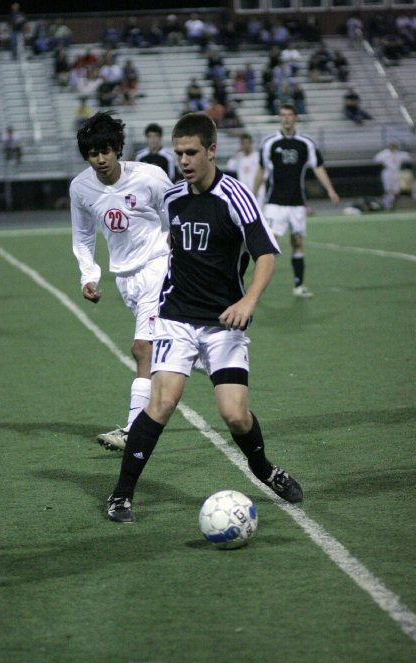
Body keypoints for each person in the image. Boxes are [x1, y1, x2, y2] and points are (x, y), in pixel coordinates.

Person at [106, 112, 303, 523]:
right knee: (162, 402)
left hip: (223, 324)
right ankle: (121, 495)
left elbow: (265, 254)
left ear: (212, 150)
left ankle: (263, 468)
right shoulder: (173, 197)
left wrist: (248, 302)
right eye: (179, 153)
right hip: (176, 317)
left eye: (192, 152)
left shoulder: (235, 196)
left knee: (234, 414)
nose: (185, 160)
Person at [70, 112, 173, 452]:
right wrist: (89, 275)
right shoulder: (81, 188)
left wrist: (179, 254)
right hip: (125, 278)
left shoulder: (149, 177)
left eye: (106, 151)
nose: (100, 159)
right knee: (169, 353)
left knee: (141, 349)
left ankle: (132, 429)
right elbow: (83, 236)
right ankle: (214, 359)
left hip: (158, 266)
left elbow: (176, 212)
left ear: (118, 148)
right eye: (92, 153)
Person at [254, 104, 339, 298]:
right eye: (283, 115)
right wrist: (252, 194)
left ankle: (299, 286)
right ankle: (256, 289)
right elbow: (261, 170)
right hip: (275, 202)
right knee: (269, 246)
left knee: (297, 241)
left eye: (290, 115)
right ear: (279, 118)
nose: (286, 118)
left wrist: (330, 189)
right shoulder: (270, 143)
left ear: (295, 118)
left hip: (297, 202)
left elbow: (318, 167)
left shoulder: (305, 143)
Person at [226, 132, 265, 208]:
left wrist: (256, 190)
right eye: (243, 143)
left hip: (257, 192)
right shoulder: (239, 157)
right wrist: (237, 152)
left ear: (251, 143)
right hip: (244, 192)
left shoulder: (257, 156)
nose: (245, 145)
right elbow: (230, 166)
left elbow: (263, 173)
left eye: (247, 143)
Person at [374, 141, 411, 210]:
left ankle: (385, 203)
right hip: (387, 172)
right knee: (388, 190)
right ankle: (386, 205)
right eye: (392, 146)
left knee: (395, 190)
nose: (393, 147)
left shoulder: (398, 154)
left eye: (394, 146)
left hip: (396, 173)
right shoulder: (385, 153)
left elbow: (409, 156)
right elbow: (376, 159)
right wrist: (384, 164)